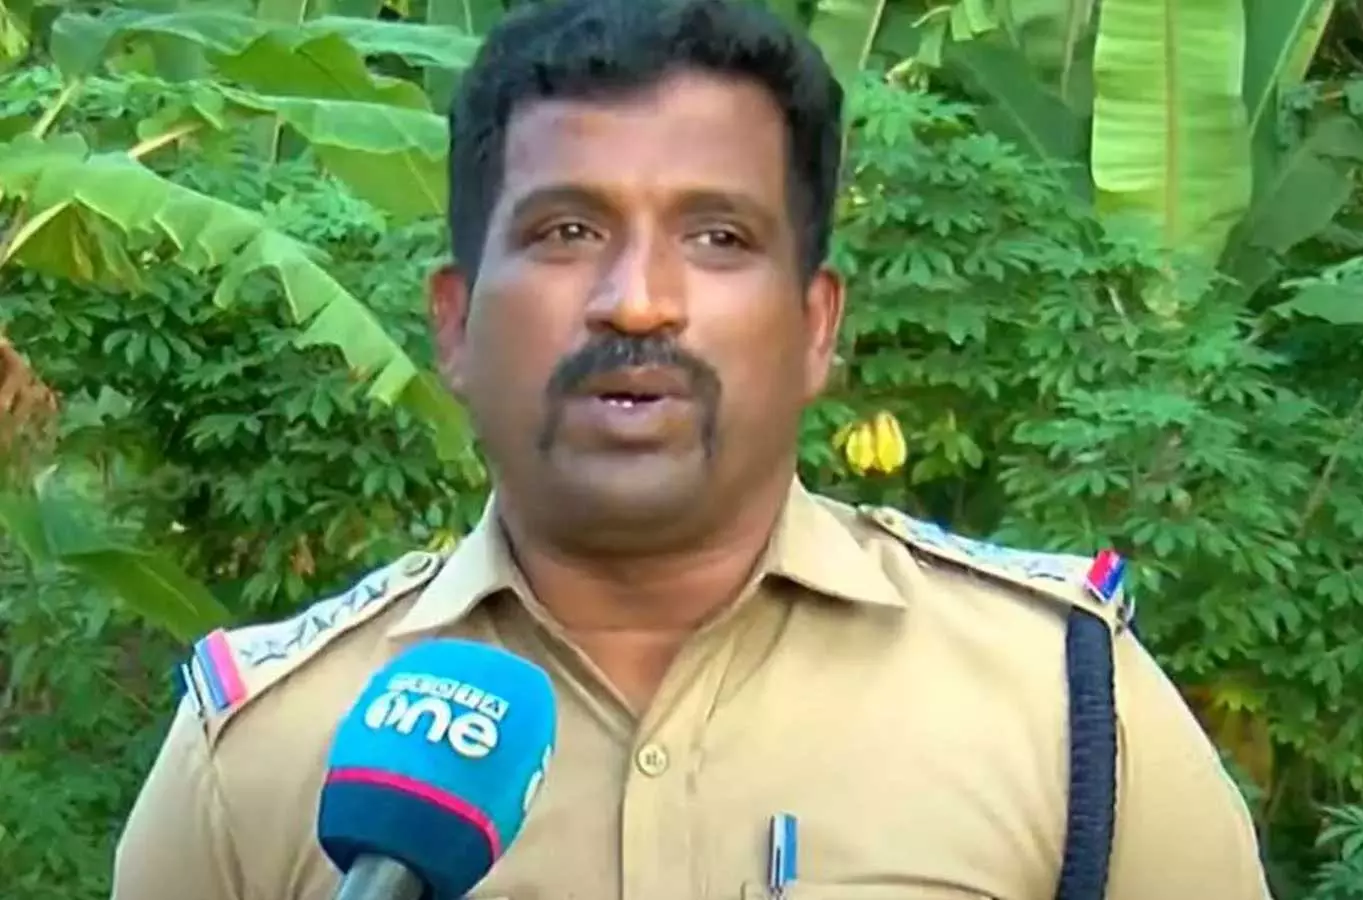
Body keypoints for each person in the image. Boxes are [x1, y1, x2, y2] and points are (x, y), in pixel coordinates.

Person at [110, 1, 1274, 898]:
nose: (638, 301)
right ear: (455, 325)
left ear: (814, 326)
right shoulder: (262, 753)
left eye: (718, 237)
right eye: (568, 230)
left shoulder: (1062, 704)